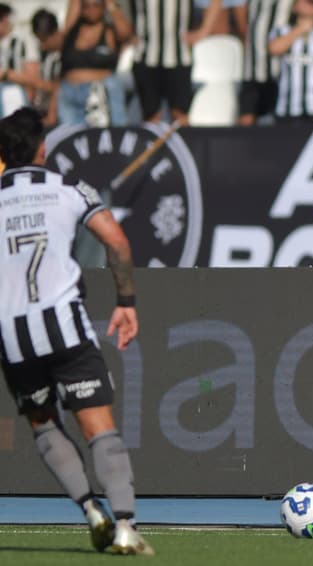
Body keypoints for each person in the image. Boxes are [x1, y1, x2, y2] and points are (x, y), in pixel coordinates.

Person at [0, 108, 152, 555]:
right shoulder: (67, 187)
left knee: (44, 427)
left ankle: (90, 511)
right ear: (42, 149)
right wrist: (125, 302)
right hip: (63, 326)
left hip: (12, 335)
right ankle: (125, 524)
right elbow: (117, 241)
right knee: (98, 428)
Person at [129, 0, 222, 123]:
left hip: (179, 57)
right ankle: (151, 142)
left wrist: (204, 31)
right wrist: (128, 33)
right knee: (151, 116)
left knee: (180, 116)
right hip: (145, 56)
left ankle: (181, 142)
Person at [57, 0, 134, 127]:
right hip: (70, 94)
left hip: (100, 96)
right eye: (86, 6)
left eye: (96, 5)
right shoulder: (72, 30)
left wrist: (110, 5)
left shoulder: (109, 31)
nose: (91, 9)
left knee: (104, 140)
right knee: (70, 140)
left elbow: (126, 33)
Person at [237, 0, 290, 125]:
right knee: (246, 118)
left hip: (281, 71)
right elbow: (240, 9)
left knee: (278, 123)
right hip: (252, 67)